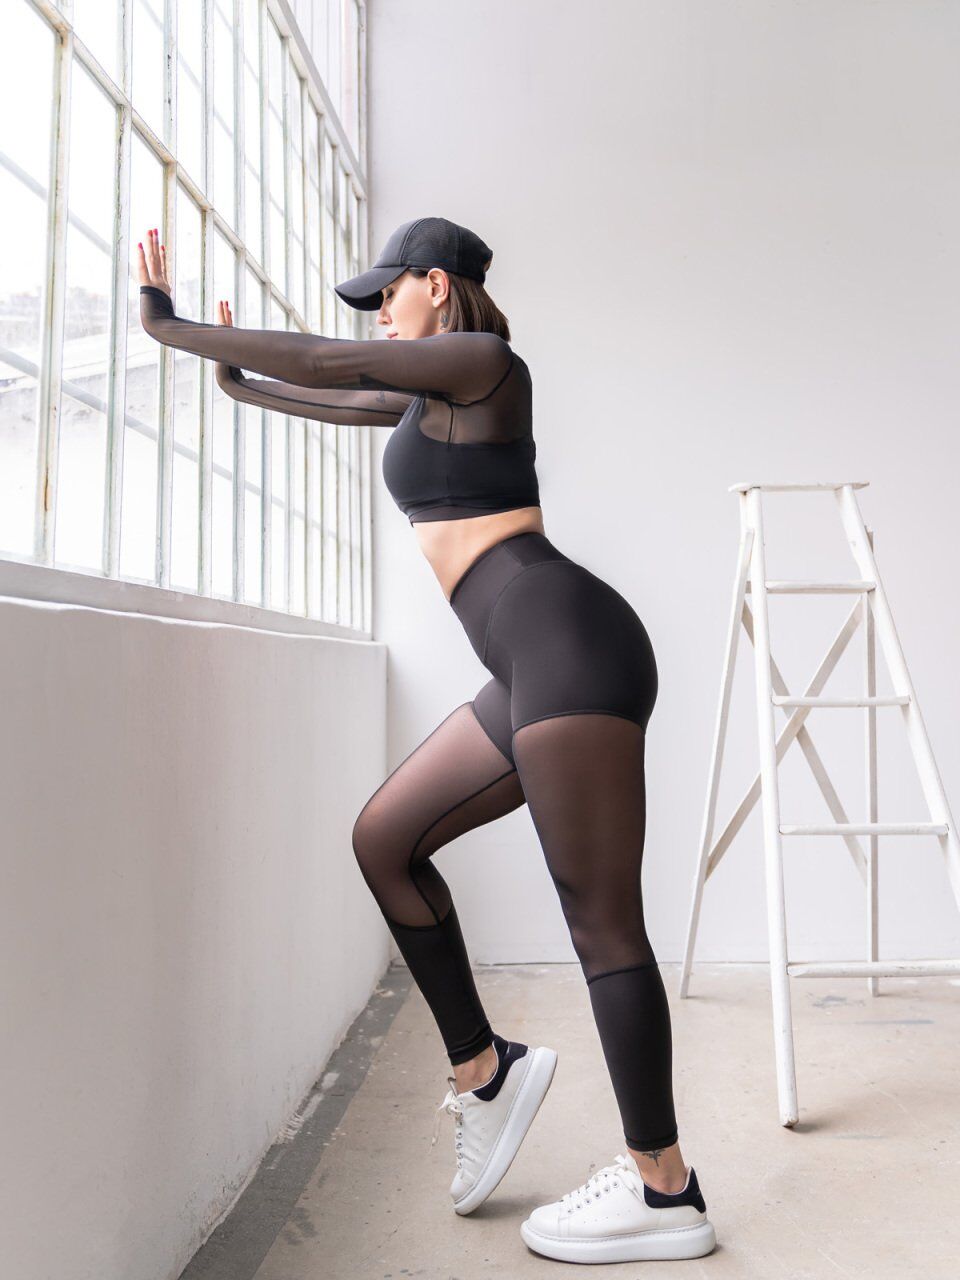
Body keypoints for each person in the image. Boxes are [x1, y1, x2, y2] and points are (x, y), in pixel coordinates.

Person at [136, 215, 716, 1263]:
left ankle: (665, 1188)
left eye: (386, 295)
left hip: (572, 648)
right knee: (385, 839)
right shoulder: (431, 394)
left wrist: (174, 330)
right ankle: (484, 1072)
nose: (377, 315)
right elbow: (333, 390)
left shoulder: (483, 361)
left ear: (436, 286)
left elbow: (328, 359)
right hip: (532, 664)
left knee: (602, 924)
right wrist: (235, 383)